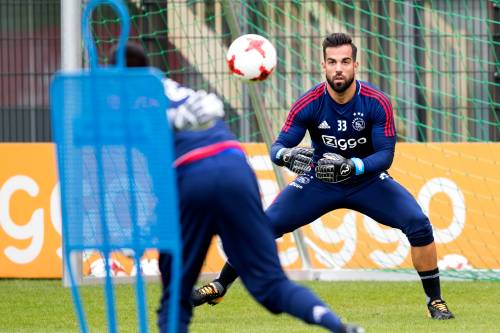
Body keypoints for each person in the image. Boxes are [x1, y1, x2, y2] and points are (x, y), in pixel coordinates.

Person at [192, 32, 455, 320]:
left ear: (356, 65)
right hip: (320, 180)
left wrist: (352, 166)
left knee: (418, 224)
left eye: (345, 61)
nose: (338, 68)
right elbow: (278, 147)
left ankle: (435, 301)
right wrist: (287, 156)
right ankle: (220, 285)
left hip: (366, 180)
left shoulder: (376, 102)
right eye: (332, 62)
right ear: (323, 65)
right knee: (263, 226)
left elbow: (385, 155)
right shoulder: (309, 103)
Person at [112, 42, 364, 333]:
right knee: (272, 285)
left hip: (194, 176)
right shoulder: (177, 88)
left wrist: (146, 227)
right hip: (236, 166)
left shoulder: (129, 107)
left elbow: (156, 175)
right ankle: (340, 327)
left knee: (175, 298)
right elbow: (213, 112)